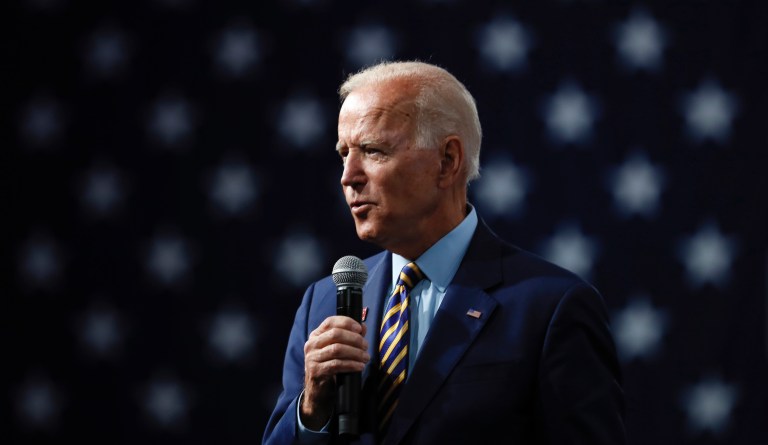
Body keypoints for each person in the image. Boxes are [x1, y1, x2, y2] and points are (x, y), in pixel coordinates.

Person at [262, 60, 625, 444]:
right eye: (343, 153)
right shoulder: (322, 302)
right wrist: (311, 411)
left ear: (447, 161)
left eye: (372, 150)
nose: (348, 176)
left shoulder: (551, 307)